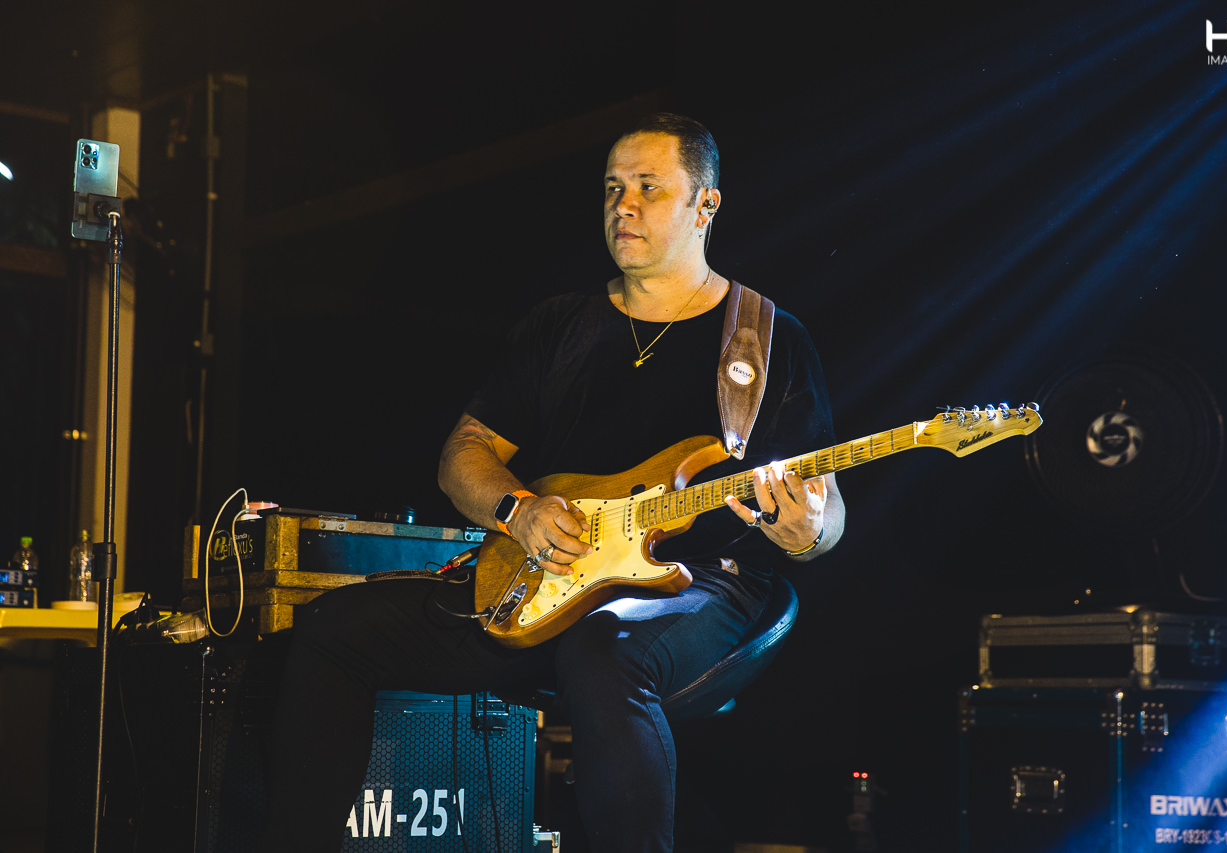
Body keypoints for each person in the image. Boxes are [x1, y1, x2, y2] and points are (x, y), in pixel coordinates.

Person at [260, 113, 845, 852]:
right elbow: (463, 453)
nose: (623, 205)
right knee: (332, 631)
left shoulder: (766, 337)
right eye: (612, 187)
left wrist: (808, 532)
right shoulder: (560, 325)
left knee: (604, 651)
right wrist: (520, 510)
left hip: (705, 587)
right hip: (550, 580)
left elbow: (827, 508)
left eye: (648, 187)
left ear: (706, 205)